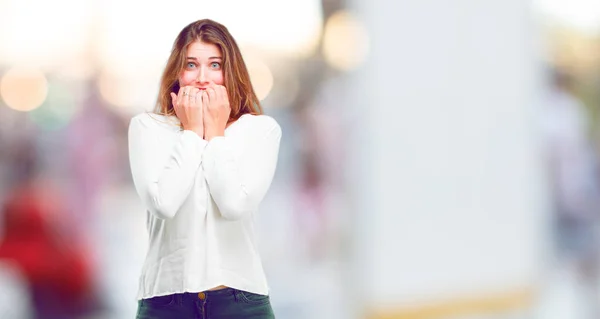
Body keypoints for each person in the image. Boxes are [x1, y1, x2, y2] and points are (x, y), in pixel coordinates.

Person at [128, 19, 281, 318]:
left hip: (240, 302)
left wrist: (214, 133)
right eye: (191, 65)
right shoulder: (147, 127)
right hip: (165, 303)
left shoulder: (261, 130)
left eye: (214, 65)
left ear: (230, 72)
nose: (202, 78)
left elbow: (234, 204)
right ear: (177, 73)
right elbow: (163, 203)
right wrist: (190, 132)